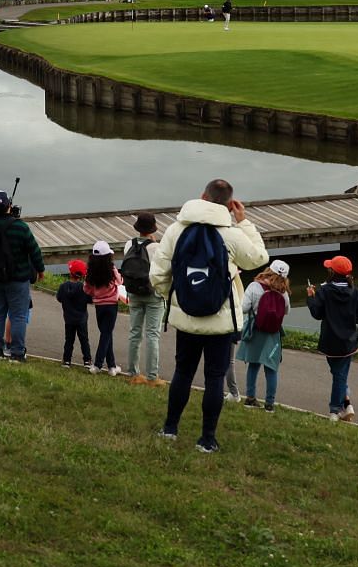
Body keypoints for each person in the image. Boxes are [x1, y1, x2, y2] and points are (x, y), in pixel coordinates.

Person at [148, 179, 268, 454]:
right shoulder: (231, 234)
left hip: (186, 319)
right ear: (229, 205)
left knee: (183, 372)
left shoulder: (177, 229)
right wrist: (244, 222)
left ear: (202, 196)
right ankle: (207, 439)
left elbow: (158, 274)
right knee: (215, 378)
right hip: (221, 322)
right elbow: (259, 258)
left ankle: (170, 428)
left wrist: (177, 298)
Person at [0, 190, 45, 361]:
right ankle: (17, 352)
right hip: (18, 278)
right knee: (18, 315)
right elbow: (34, 250)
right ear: (9, 206)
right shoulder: (20, 227)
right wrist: (40, 269)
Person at [307, 254, 358, 422]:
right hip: (348, 342)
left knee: (338, 375)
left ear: (332, 272)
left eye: (329, 268)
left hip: (329, 341)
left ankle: (335, 410)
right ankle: (346, 403)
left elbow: (317, 313)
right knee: (339, 374)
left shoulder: (324, 291)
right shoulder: (356, 293)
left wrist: (311, 297)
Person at [234, 259, 291, 410]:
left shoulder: (255, 286)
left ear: (268, 269)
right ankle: (270, 404)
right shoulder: (283, 292)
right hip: (273, 333)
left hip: (256, 329)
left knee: (253, 364)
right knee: (271, 368)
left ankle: (251, 399)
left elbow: (244, 308)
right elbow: (287, 310)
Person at [122, 212, 164, 385]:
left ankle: (133, 373)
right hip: (153, 294)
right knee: (152, 334)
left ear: (137, 228)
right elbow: (162, 269)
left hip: (133, 293)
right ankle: (152, 377)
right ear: (152, 229)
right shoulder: (156, 247)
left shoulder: (128, 244)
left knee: (134, 333)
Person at [86, 240, 125, 375]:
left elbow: (87, 289)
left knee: (106, 333)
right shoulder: (111, 269)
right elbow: (120, 281)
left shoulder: (91, 271)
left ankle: (112, 367)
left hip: (99, 306)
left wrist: (95, 293)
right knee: (106, 334)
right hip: (111, 306)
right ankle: (97, 365)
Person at [57, 259, 93, 369]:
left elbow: (59, 298)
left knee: (69, 340)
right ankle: (87, 360)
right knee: (84, 339)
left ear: (70, 272)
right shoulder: (83, 288)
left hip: (68, 318)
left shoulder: (63, 286)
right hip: (81, 318)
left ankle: (67, 360)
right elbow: (90, 300)